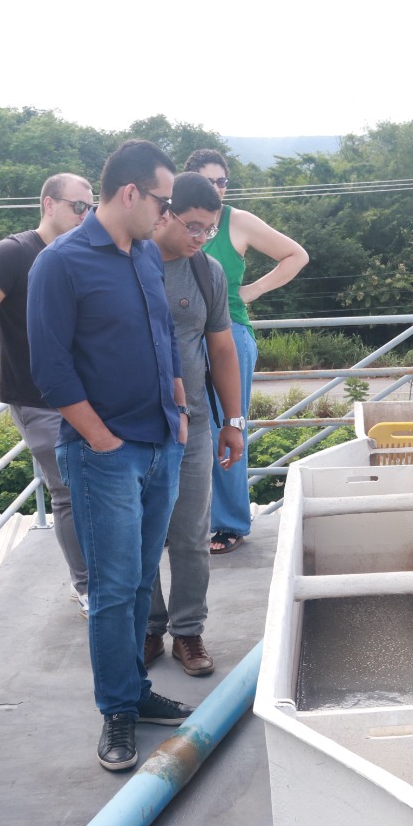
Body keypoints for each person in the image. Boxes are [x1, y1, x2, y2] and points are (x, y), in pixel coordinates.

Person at [27, 140, 196, 772]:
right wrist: (100, 438)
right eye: (162, 201)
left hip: (160, 443)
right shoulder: (61, 263)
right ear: (130, 193)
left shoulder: (146, 253)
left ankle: (136, 690)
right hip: (106, 456)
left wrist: (179, 406)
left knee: (141, 580)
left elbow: (163, 336)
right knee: (114, 589)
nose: (166, 213)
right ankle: (118, 710)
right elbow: (50, 367)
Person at [0, 173, 94, 613]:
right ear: (49, 204)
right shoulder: (12, 253)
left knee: (97, 489)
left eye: (91, 208)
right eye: (78, 207)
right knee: (67, 492)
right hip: (36, 398)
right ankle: (88, 587)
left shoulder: (83, 251)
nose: (86, 215)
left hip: (87, 396)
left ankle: (105, 578)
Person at [184, 148, 309, 555]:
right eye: (208, 181)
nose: (217, 188)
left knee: (228, 426)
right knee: (181, 430)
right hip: (180, 336)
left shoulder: (238, 221)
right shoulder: (170, 220)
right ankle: (183, 522)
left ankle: (229, 523)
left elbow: (296, 255)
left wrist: (252, 290)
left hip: (229, 334)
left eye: (222, 181)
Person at [145, 172, 245, 676]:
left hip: (196, 424)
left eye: (209, 229)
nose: (201, 238)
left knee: (190, 533)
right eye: (193, 226)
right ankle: (147, 629)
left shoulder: (208, 271)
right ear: (163, 213)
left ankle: (188, 631)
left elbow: (222, 349)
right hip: (134, 427)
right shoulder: (129, 262)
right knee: (140, 535)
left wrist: (234, 421)